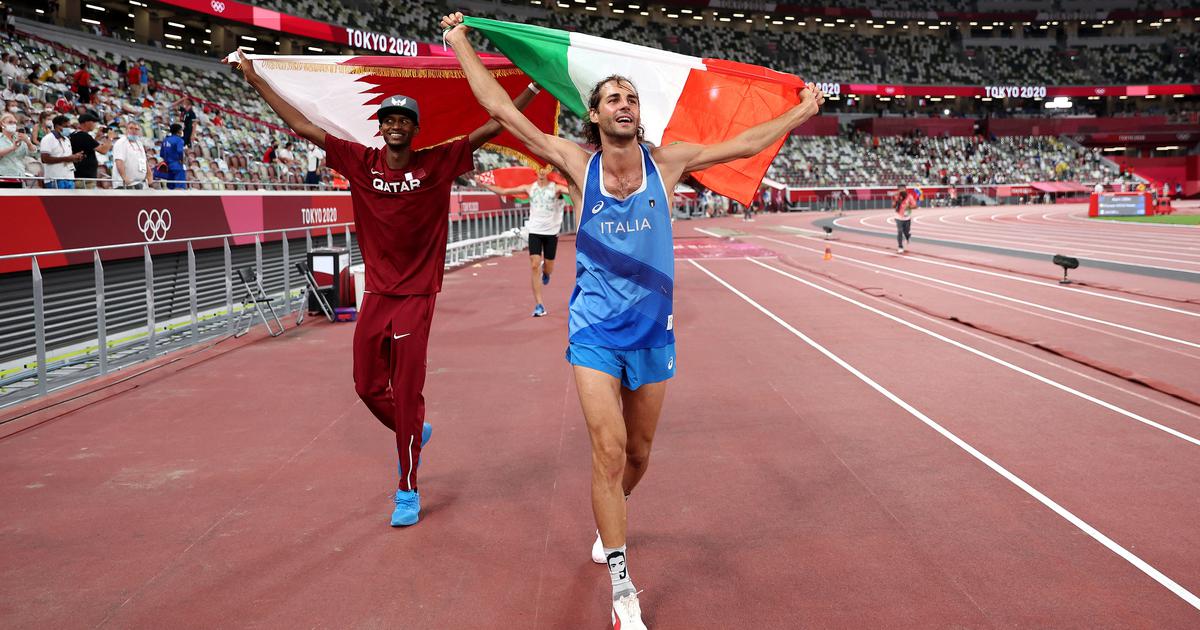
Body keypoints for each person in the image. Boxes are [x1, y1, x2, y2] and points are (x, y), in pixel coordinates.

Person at [442, 13, 823, 630]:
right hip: (593, 328)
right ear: (594, 115)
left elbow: (747, 144)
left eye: (632, 98)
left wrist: (800, 114)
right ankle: (623, 588)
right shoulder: (575, 161)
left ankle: (611, 515)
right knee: (608, 449)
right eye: (614, 97)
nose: (625, 103)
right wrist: (461, 42)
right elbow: (502, 111)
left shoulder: (667, 164)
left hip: (652, 331)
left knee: (639, 456)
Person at [231, 49, 539, 528]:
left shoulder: (438, 162)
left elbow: (491, 127)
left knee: (407, 389)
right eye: (388, 119)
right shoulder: (359, 160)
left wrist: (535, 89)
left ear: (415, 130)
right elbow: (302, 126)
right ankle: (414, 431)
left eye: (404, 120)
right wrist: (255, 80)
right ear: (380, 127)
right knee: (367, 386)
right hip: (376, 294)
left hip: (417, 297)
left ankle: (407, 489)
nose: (395, 125)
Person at [482, 166, 570, 317]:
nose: (541, 173)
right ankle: (539, 305)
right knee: (534, 265)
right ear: (535, 172)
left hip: (551, 233)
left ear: (549, 172)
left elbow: (572, 191)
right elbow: (504, 191)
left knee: (548, 267)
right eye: (539, 170)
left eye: (545, 170)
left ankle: (546, 273)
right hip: (534, 231)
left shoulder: (556, 188)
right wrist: (483, 183)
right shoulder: (529, 188)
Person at [68, 112, 111, 188]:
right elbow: (104, 150)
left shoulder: (75, 134)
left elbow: (88, 147)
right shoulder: (84, 135)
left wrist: (97, 137)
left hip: (79, 176)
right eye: (93, 121)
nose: (95, 124)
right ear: (86, 123)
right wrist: (110, 137)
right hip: (85, 178)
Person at [38, 114, 81, 188]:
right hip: (54, 178)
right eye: (66, 126)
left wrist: (75, 158)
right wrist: (67, 158)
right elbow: (44, 159)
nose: (68, 129)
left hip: (69, 177)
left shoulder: (67, 139)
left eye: (69, 126)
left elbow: (68, 157)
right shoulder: (47, 139)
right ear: (57, 126)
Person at [0, 112, 37, 187]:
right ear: (2, 124)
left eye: (14, 123)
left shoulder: (20, 137)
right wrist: (12, 148)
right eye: (10, 122)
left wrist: (28, 142)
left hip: (19, 175)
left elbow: (33, 153)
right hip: (3, 176)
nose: (13, 125)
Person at [112, 120, 151, 189]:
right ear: (126, 130)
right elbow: (119, 161)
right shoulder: (121, 143)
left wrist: (149, 174)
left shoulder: (139, 143)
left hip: (139, 183)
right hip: (124, 184)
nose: (134, 131)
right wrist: (124, 177)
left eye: (136, 129)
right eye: (131, 128)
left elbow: (144, 161)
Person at [159, 122, 186, 189]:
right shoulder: (179, 140)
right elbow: (180, 151)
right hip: (177, 166)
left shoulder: (165, 140)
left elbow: (161, 154)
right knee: (180, 188)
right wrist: (182, 160)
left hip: (167, 166)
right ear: (179, 131)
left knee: (170, 188)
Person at [894, 184, 916, 254]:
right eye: (900, 188)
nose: (901, 190)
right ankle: (900, 247)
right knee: (900, 231)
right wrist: (896, 201)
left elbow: (915, 206)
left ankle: (908, 236)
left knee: (906, 232)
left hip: (907, 217)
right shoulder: (896, 196)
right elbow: (893, 206)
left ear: (905, 189)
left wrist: (909, 206)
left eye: (902, 188)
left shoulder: (909, 196)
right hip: (898, 217)